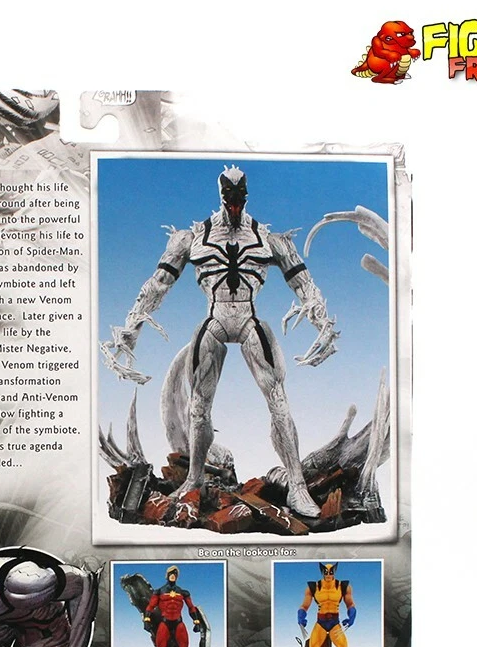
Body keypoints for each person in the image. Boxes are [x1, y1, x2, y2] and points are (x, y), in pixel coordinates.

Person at [101, 165, 338, 517]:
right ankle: (194, 478)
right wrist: (131, 327)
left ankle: (297, 486)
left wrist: (322, 323)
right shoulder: (192, 238)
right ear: (221, 194)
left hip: (249, 318)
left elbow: (304, 284)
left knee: (278, 401)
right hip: (214, 318)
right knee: (198, 406)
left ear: (247, 195)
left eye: (240, 196)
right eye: (229, 196)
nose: (234, 203)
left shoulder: (269, 239)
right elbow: (158, 284)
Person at [298, 562, 357, 647]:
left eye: (331, 572)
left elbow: (350, 603)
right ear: (322, 572)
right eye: (326, 572)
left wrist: (352, 615)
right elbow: (305, 605)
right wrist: (301, 615)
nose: (329, 575)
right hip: (321, 622)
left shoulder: (343, 586)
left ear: (334, 572)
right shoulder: (314, 587)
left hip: (335, 623)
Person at [145, 565, 200, 647]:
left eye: (175, 574)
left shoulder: (183, 592)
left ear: (177, 576)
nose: (173, 576)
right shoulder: (159, 591)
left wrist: (196, 621)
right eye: (171, 574)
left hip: (178, 622)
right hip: (165, 622)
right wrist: (147, 620)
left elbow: (191, 607)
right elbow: (150, 606)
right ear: (167, 575)